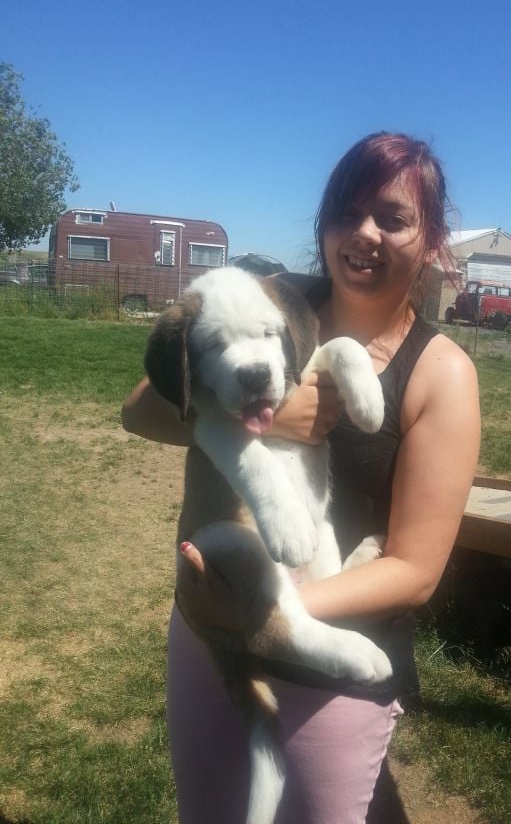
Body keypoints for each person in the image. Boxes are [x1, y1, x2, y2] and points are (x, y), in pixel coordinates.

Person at [121, 131, 480, 823]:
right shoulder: (277, 302)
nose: (365, 233)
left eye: (393, 217)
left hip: (329, 664)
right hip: (206, 629)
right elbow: (139, 409)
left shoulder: (442, 373)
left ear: (433, 240)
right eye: (346, 213)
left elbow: (416, 570)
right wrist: (276, 416)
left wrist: (269, 616)